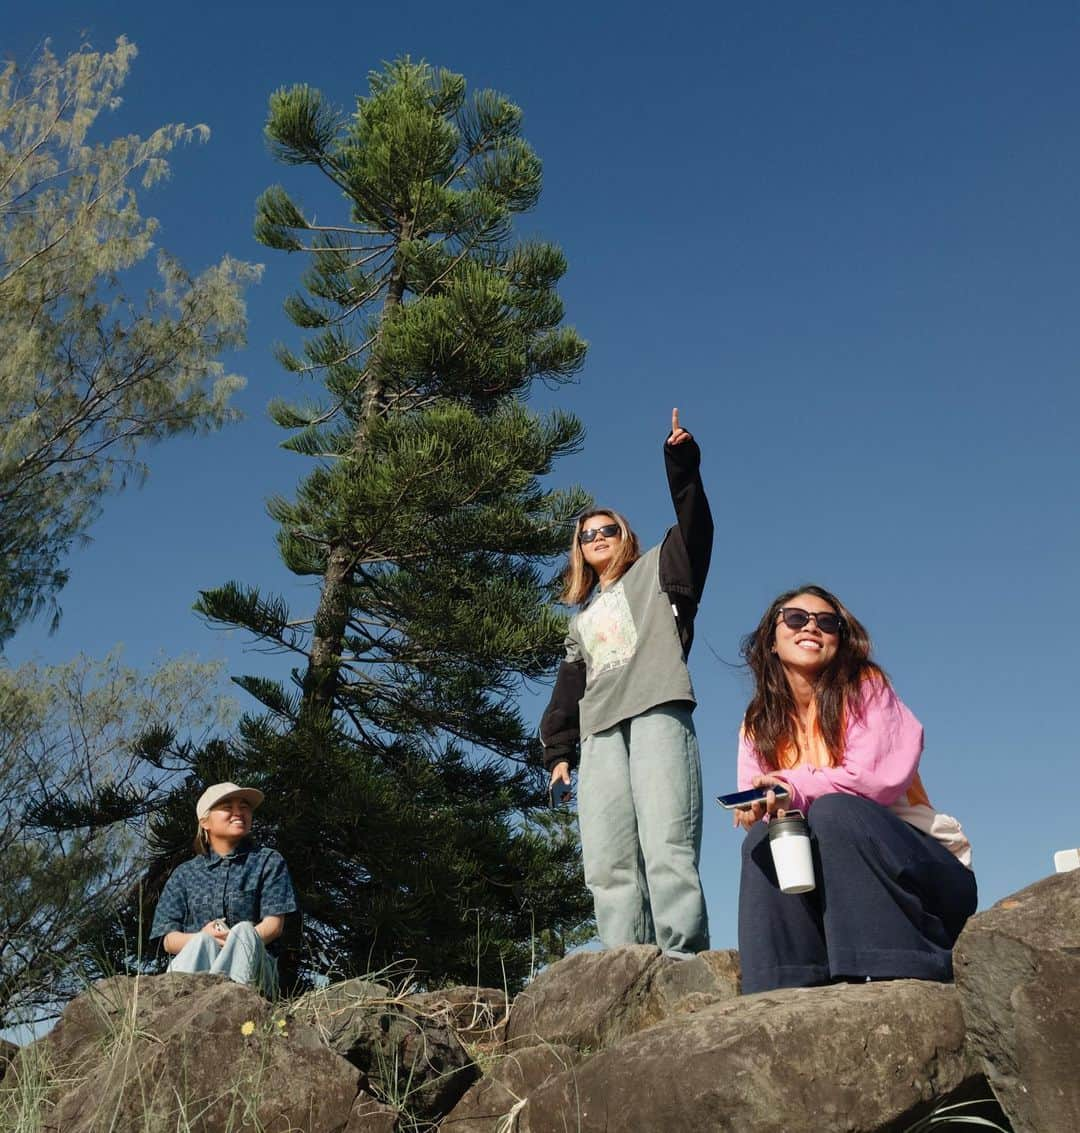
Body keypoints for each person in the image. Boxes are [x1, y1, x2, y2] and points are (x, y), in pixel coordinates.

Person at [734, 585, 976, 994]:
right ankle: (787, 984)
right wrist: (758, 809)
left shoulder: (867, 686)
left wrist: (793, 785)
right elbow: (761, 796)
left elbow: (874, 780)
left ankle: (892, 968)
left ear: (840, 640)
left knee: (835, 811)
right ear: (771, 641)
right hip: (829, 890)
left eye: (827, 623)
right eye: (796, 618)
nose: (811, 626)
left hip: (925, 880)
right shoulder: (758, 722)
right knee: (763, 840)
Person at [541, 408, 713, 957]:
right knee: (607, 860)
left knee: (667, 844)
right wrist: (558, 752)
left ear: (625, 536)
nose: (595, 537)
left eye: (606, 529)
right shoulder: (580, 618)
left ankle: (684, 964)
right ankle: (624, 969)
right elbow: (568, 689)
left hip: (658, 707)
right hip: (599, 733)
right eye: (585, 534)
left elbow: (696, 527)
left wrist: (681, 465)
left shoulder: (662, 567)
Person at [149, 782, 297, 994]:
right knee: (202, 941)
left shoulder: (268, 861)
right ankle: (177, 1007)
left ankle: (232, 1003)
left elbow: (274, 926)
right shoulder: (184, 874)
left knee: (244, 931)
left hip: (255, 974)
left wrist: (233, 941)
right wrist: (207, 937)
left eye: (244, 806)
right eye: (227, 807)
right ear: (205, 822)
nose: (238, 812)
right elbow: (168, 940)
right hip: (197, 968)